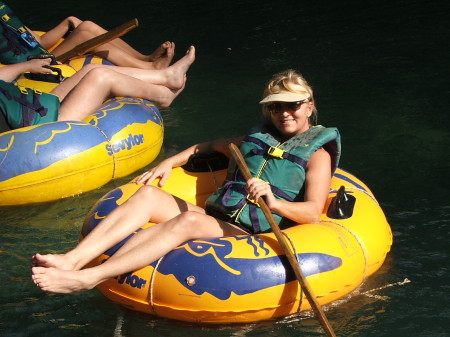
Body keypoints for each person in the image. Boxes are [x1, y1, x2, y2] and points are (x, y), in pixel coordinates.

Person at [31, 69, 341, 294]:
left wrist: (273, 201)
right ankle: (72, 260)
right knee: (146, 196)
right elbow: (204, 147)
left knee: (189, 222)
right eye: (276, 106)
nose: (285, 112)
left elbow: (313, 212)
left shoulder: (317, 156)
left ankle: (90, 278)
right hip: (218, 215)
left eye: (293, 104)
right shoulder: (254, 139)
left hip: (251, 233)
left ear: (309, 106)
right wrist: (166, 164)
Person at [0, 45, 195, 129]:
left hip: (37, 105)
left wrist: (26, 66)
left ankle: (165, 76)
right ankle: (164, 95)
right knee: (100, 77)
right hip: (43, 125)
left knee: (91, 69)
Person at [0, 1, 173, 69]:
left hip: (34, 51)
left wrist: (67, 23)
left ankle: (144, 58)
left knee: (84, 24)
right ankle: (149, 69)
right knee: (85, 36)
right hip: (32, 62)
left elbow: (37, 39)